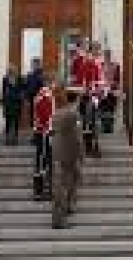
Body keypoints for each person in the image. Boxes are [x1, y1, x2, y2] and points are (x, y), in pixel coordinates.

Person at [51, 90, 83, 229]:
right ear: (76, 100)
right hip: (69, 155)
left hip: (58, 153)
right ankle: (60, 218)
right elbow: (77, 137)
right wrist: (81, 154)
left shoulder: (57, 113)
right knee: (64, 186)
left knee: (66, 183)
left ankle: (67, 208)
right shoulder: (73, 114)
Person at [32, 79, 55, 201]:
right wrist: (50, 128)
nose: (54, 86)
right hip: (44, 133)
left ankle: (40, 190)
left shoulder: (40, 96)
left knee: (41, 160)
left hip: (41, 132)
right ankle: (41, 191)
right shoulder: (45, 97)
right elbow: (46, 116)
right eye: (53, 83)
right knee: (44, 161)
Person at [80, 42, 103, 157]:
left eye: (98, 50)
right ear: (92, 51)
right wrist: (92, 91)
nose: (98, 52)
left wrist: (101, 91)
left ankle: (94, 146)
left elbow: (99, 81)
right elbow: (84, 82)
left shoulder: (97, 64)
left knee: (94, 123)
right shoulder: (87, 63)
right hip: (88, 97)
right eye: (96, 50)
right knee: (88, 123)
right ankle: (89, 147)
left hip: (95, 97)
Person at [99, 49, 121, 135]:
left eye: (108, 55)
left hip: (112, 90)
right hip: (102, 91)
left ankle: (109, 127)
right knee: (103, 109)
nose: (107, 56)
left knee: (111, 109)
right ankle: (105, 126)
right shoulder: (100, 65)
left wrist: (114, 87)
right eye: (106, 55)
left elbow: (117, 80)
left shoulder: (115, 66)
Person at [0, 67, 24, 145]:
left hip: (17, 103)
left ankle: (15, 138)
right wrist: (2, 102)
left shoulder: (20, 79)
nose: (11, 73)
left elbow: (22, 90)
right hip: (8, 104)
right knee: (8, 121)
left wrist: (21, 99)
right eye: (10, 72)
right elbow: (3, 91)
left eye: (12, 72)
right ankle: (7, 139)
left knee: (16, 122)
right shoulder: (5, 80)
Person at [24, 58, 45, 130]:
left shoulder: (41, 74)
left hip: (39, 96)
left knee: (39, 112)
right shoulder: (29, 75)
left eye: (35, 64)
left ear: (39, 65)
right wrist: (26, 96)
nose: (33, 66)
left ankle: (39, 127)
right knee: (32, 112)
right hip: (31, 96)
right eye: (33, 64)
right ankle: (33, 126)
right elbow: (26, 85)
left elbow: (43, 86)